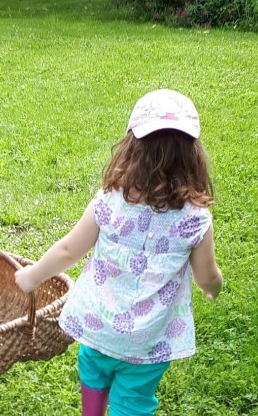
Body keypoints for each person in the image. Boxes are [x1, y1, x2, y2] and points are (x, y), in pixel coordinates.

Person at [15, 89, 223, 416]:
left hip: (99, 327)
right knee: (134, 400)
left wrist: (31, 277)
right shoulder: (195, 219)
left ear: (130, 149)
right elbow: (207, 275)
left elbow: (69, 250)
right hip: (149, 339)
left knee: (94, 376)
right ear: (193, 157)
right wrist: (214, 288)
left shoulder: (110, 200)